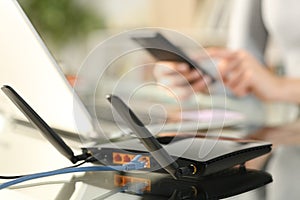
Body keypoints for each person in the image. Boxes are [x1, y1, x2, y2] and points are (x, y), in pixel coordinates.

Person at [153, 0, 300, 199]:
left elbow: (272, 85)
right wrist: (200, 77)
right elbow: (243, 65)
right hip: (291, 150)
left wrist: (281, 87)